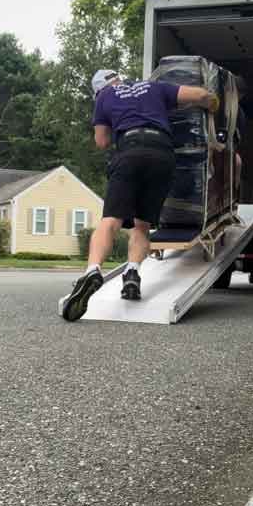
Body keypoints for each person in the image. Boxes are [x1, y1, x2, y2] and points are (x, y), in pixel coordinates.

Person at [62, 68, 219, 321]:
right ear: (119, 78)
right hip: (163, 155)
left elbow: (101, 141)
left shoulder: (104, 96)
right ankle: (132, 273)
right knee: (142, 224)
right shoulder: (155, 87)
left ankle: (92, 271)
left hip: (130, 151)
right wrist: (214, 104)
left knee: (110, 221)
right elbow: (201, 95)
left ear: (99, 88)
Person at [233, 75, 247, 200]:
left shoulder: (238, 112)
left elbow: (238, 137)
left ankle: (233, 198)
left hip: (228, 149)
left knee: (237, 162)